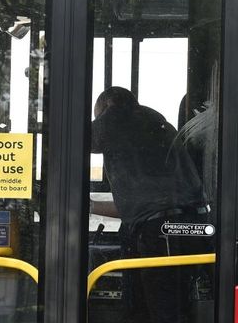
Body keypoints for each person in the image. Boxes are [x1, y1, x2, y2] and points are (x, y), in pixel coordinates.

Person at [90, 86, 212, 323]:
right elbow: (141, 207)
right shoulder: (154, 125)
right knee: (172, 307)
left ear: (107, 106)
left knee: (161, 310)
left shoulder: (119, 115)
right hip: (188, 225)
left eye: (98, 116)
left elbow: (76, 140)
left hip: (162, 233)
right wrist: (91, 206)